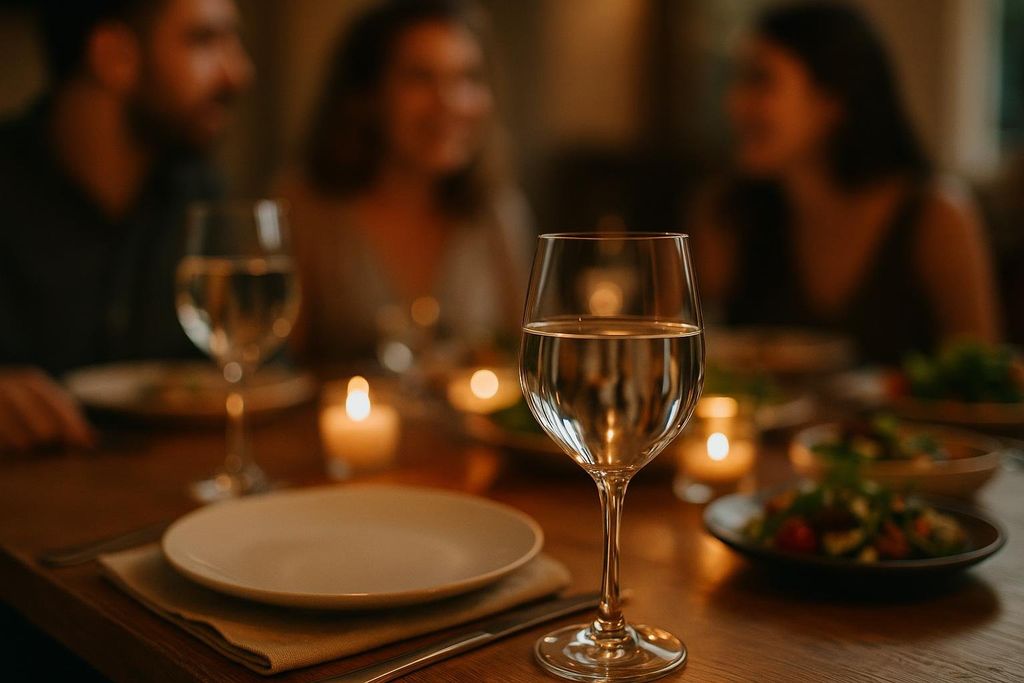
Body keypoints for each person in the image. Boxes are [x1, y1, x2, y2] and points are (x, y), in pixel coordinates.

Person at [0, 0, 252, 451]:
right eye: (204, 40)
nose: (239, 73)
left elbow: (260, 365)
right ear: (113, 56)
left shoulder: (198, 196)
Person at [691, 2, 1000, 364]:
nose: (734, 103)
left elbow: (982, 374)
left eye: (760, 80)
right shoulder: (728, 215)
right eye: (739, 80)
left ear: (832, 101)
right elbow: (679, 338)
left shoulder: (934, 214)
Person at [277, 0, 532, 366]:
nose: (449, 102)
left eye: (468, 77)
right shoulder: (305, 207)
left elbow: (530, 363)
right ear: (367, 95)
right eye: (420, 78)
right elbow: (276, 366)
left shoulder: (497, 211)